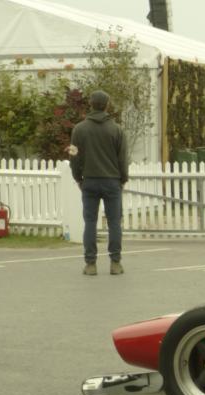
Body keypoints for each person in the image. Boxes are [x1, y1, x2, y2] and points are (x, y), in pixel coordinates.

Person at [70, 90, 129, 276]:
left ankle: (90, 264)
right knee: (114, 223)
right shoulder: (116, 130)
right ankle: (115, 263)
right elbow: (122, 159)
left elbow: (74, 156)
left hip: (89, 181)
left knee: (90, 222)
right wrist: (123, 179)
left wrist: (78, 177)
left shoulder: (79, 129)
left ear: (91, 104)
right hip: (112, 181)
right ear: (107, 105)